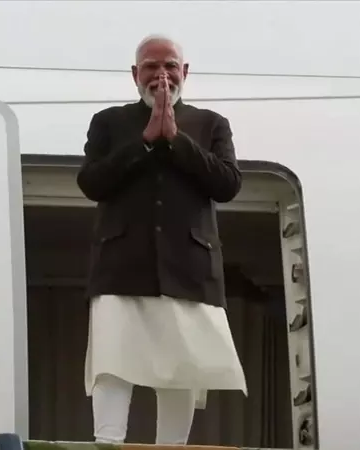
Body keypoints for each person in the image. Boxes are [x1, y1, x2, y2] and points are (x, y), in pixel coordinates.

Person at [77, 34, 248, 445]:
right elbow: (91, 182)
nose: (161, 74)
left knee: (181, 368)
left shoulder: (210, 124)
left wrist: (175, 139)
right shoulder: (109, 122)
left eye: (170, 65)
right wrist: (144, 142)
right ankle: (107, 442)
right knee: (113, 362)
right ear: (135, 74)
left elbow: (227, 184)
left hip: (189, 269)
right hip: (121, 267)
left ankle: (172, 446)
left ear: (184, 71)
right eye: (151, 66)